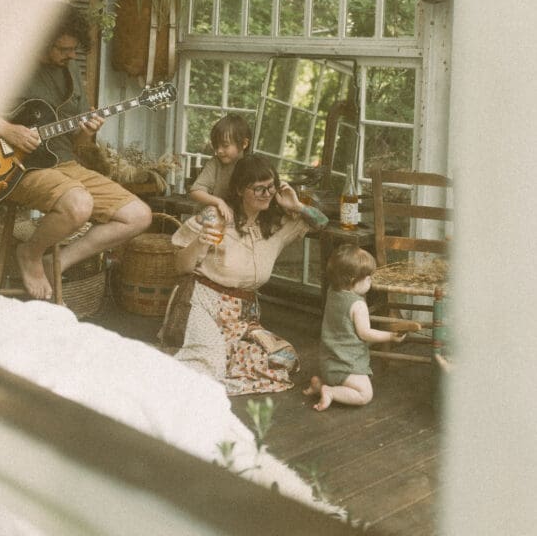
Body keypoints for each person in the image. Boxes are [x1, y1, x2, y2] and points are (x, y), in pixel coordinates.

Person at [0, 3, 152, 301]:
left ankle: (56, 263)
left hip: (64, 163)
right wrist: (7, 130)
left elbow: (77, 142)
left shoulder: (69, 70)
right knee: (79, 205)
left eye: (74, 50)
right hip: (18, 168)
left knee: (138, 215)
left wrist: (88, 130)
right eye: (63, 49)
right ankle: (30, 253)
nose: (71, 56)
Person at [159, 152, 328, 395]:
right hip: (202, 302)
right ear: (239, 190)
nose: (267, 193)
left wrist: (296, 205)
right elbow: (180, 267)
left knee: (284, 359)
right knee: (209, 363)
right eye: (258, 188)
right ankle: (200, 364)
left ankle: (216, 360)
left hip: (242, 317)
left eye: (271, 187)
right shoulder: (215, 216)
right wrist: (199, 243)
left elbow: (321, 223)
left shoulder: (277, 225)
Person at [304, 243, 406, 411]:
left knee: (345, 381)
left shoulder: (332, 291)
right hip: (346, 365)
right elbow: (365, 333)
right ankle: (330, 391)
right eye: (367, 278)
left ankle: (320, 384)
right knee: (365, 394)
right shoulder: (357, 305)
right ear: (352, 280)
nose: (370, 281)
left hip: (327, 363)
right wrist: (390, 336)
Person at [189, 113, 252, 223]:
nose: (219, 151)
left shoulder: (251, 166)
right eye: (216, 146)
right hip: (210, 219)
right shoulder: (215, 163)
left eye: (225, 145)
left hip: (237, 219)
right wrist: (218, 202)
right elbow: (195, 191)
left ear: (244, 143)